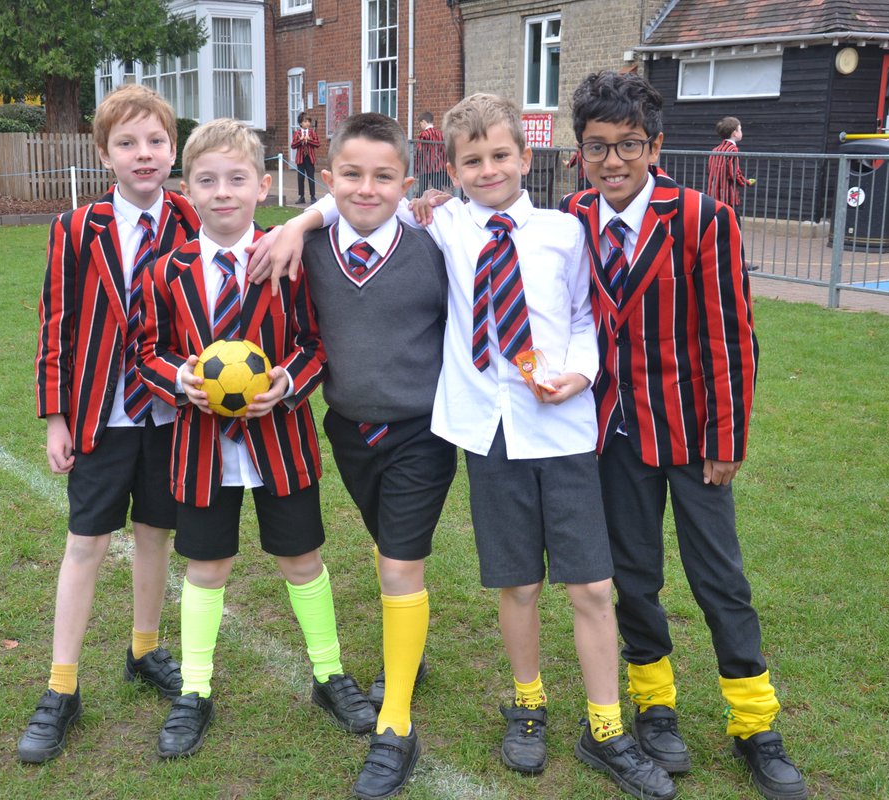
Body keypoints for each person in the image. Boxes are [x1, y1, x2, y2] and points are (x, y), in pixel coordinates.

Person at [262, 93, 676, 800]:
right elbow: (357, 198)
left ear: (528, 157)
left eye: (501, 156)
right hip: (487, 431)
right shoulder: (444, 224)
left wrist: (579, 373)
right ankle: (528, 703)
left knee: (592, 586)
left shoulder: (563, 230)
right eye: (472, 161)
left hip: (565, 430)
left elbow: (585, 315)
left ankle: (606, 725)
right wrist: (302, 217)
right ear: (448, 170)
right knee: (516, 583)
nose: (488, 171)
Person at [560, 72, 806, 800]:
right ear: (580, 152)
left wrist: (728, 437)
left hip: (695, 434)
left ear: (656, 146)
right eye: (597, 148)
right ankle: (655, 705)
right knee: (634, 577)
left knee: (719, 578)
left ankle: (754, 721)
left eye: (628, 145)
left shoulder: (702, 220)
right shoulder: (570, 217)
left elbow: (734, 340)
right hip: (616, 435)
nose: (613, 162)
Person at [136, 117, 376, 759]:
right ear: (187, 190)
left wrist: (288, 383)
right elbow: (145, 351)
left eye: (237, 179)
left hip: (280, 441)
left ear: (262, 184)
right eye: (207, 181)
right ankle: (194, 689)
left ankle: (330, 675)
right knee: (206, 566)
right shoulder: (167, 271)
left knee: (301, 559)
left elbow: (314, 345)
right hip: (200, 450)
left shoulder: (290, 257)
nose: (222, 193)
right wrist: (180, 378)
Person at [21, 83, 196, 764]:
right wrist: (56, 416)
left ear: (173, 147)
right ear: (104, 154)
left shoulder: (192, 217)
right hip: (101, 416)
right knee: (87, 543)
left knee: (155, 534)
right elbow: (55, 326)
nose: (143, 154)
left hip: (169, 414)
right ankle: (61, 687)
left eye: (155, 141)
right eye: (127, 143)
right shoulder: (75, 228)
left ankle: (145, 650)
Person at [303, 112, 454, 800]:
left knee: (401, 562)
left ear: (408, 182)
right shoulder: (306, 251)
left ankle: (396, 726)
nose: (368, 189)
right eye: (353, 176)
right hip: (348, 430)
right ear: (329, 180)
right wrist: (290, 227)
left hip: (421, 434)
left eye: (384, 176)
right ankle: (407, 654)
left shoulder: (434, 247)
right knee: (386, 547)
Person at [707, 116, 756, 210]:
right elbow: (733, 173)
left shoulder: (715, 150)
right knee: (734, 221)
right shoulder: (733, 150)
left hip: (713, 195)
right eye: (740, 129)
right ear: (735, 134)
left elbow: (710, 170)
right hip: (728, 196)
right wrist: (746, 182)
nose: (742, 132)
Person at [414, 111, 446, 196]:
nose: (420, 126)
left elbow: (419, 151)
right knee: (438, 190)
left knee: (422, 190)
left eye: (420, 124)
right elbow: (443, 150)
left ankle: (419, 207)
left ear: (424, 122)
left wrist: (416, 167)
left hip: (425, 166)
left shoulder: (424, 135)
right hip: (438, 166)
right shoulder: (440, 134)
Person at [292, 112, 320, 204]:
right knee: (300, 177)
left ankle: (313, 196)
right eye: (305, 121)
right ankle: (301, 196)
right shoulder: (297, 133)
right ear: (300, 123)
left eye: (308, 121)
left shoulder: (312, 132)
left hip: (310, 158)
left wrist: (309, 140)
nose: (307, 123)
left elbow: (317, 144)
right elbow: (293, 145)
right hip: (300, 159)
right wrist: (300, 141)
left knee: (311, 177)